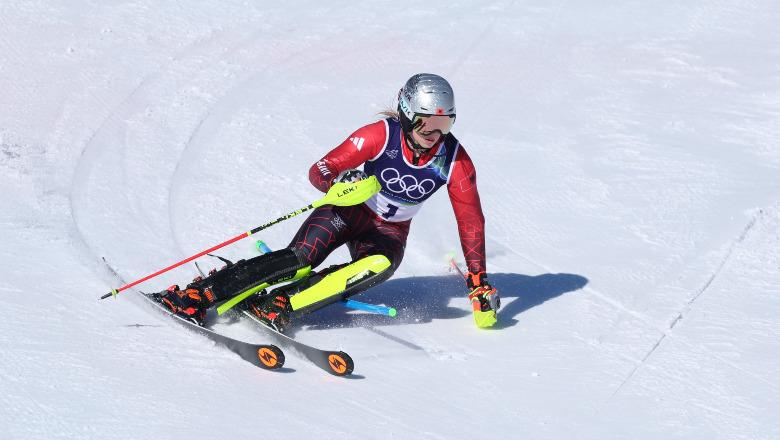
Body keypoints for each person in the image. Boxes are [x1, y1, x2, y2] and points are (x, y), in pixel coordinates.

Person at [159, 73, 500, 330]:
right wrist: (339, 182)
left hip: (388, 233)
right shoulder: (380, 135)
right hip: (347, 211)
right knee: (301, 258)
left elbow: (471, 221)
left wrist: (478, 282)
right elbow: (320, 170)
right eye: (427, 123)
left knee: (378, 266)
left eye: (445, 122)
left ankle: (282, 304)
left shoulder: (454, 161)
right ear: (407, 114)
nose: (435, 134)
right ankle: (202, 292)